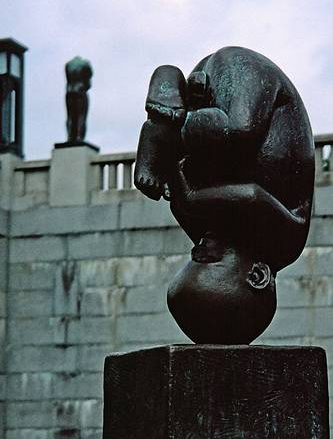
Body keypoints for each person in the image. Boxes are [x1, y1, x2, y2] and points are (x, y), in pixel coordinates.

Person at [134, 46, 315, 343]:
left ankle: (167, 99)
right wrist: (187, 194)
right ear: (257, 275)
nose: (199, 247)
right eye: (207, 259)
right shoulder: (283, 242)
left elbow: (182, 206)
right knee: (239, 130)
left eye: (194, 256)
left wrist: (174, 183)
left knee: (220, 134)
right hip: (252, 86)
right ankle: (166, 125)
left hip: (209, 121)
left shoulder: (211, 233)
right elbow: (252, 196)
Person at [65, 56, 93, 143]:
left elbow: (68, 80)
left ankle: (70, 137)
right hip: (80, 91)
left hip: (69, 91)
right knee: (81, 116)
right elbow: (88, 84)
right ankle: (79, 137)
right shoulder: (86, 65)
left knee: (70, 117)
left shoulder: (68, 65)